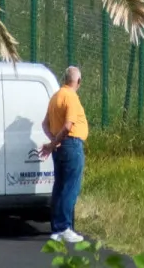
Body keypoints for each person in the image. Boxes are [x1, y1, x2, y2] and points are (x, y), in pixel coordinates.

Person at [44, 65, 89, 244]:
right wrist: (54, 142)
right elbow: (69, 125)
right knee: (71, 187)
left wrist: (53, 141)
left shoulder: (55, 97)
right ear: (78, 81)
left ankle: (57, 228)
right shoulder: (71, 97)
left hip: (60, 146)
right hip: (71, 144)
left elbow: (45, 124)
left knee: (60, 186)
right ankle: (65, 227)